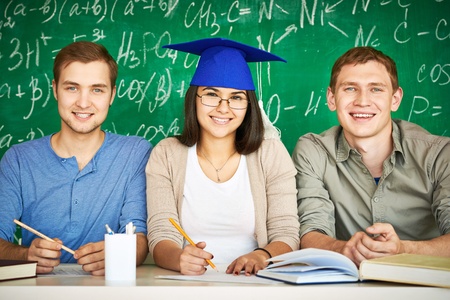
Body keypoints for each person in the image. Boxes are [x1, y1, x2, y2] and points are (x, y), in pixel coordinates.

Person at [146, 38, 299, 276]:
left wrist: (261, 255)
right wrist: (179, 259)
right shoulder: (166, 154)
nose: (223, 108)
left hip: (255, 285)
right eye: (211, 94)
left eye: (236, 97)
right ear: (193, 99)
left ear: (249, 105)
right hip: (184, 285)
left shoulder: (271, 153)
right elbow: (161, 234)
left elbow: (287, 232)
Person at [0, 41, 152, 275]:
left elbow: (139, 238)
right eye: (72, 88)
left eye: (97, 89)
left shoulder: (135, 153)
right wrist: (25, 255)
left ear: (112, 94)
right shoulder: (18, 160)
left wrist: (121, 253)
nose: (83, 102)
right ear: (55, 89)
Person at [293, 46, 450, 267]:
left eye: (376, 89)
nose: (362, 101)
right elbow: (310, 231)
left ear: (395, 99)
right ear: (331, 98)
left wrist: (403, 249)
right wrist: (343, 248)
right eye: (350, 88)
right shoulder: (313, 151)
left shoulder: (440, 154)